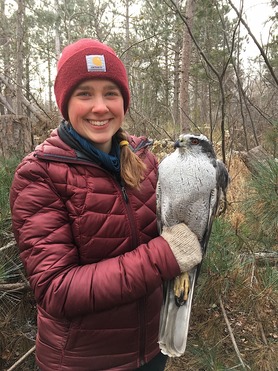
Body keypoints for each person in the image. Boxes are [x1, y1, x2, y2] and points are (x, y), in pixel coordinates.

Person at [10, 38, 202, 371]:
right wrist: (165, 256)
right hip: (84, 361)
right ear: (65, 103)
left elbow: (177, 234)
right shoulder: (39, 174)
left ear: (123, 102)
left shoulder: (145, 161)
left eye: (110, 93)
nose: (100, 107)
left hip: (153, 350)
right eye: (85, 93)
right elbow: (57, 290)